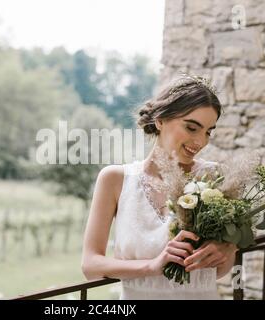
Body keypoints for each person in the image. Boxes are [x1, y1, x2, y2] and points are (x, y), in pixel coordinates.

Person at [81, 75, 238, 299]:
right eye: (192, 127)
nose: (201, 141)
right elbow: (90, 265)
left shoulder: (217, 178)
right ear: (160, 120)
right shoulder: (115, 180)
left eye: (208, 132)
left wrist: (226, 250)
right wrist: (151, 266)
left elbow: (221, 270)